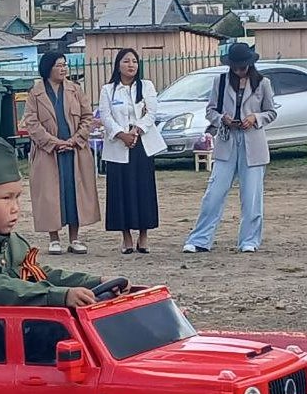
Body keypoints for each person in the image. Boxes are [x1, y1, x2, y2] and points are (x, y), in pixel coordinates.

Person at [0, 136, 115, 307]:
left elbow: (41, 275)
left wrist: (94, 282)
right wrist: (58, 296)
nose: (15, 207)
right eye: (6, 198)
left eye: (17, 197)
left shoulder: (15, 243)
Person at [182, 42, 277, 254]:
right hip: (227, 142)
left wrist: (255, 118)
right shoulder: (221, 81)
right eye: (236, 67)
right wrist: (221, 119)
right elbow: (210, 110)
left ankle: (249, 240)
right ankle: (200, 239)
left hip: (253, 143)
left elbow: (271, 112)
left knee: (252, 195)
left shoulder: (263, 83)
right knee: (214, 193)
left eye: (243, 66)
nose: (239, 70)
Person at [23, 52, 101, 254]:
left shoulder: (75, 90)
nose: (63, 69)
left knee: (74, 192)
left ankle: (74, 238)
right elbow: (31, 123)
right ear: (48, 68)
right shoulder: (35, 93)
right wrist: (54, 143)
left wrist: (75, 140)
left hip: (74, 151)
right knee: (50, 194)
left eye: (65, 65)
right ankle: (54, 238)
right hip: (48, 153)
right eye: (59, 65)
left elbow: (87, 117)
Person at [99, 48, 165, 254]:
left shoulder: (146, 86)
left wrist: (136, 131)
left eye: (134, 62)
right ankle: (126, 237)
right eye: (126, 61)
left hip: (142, 145)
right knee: (121, 191)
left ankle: (143, 236)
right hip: (119, 146)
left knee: (143, 190)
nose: (131, 65)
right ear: (118, 65)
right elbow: (106, 116)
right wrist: (122, 134)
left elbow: (152, 112)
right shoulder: (108, 90)